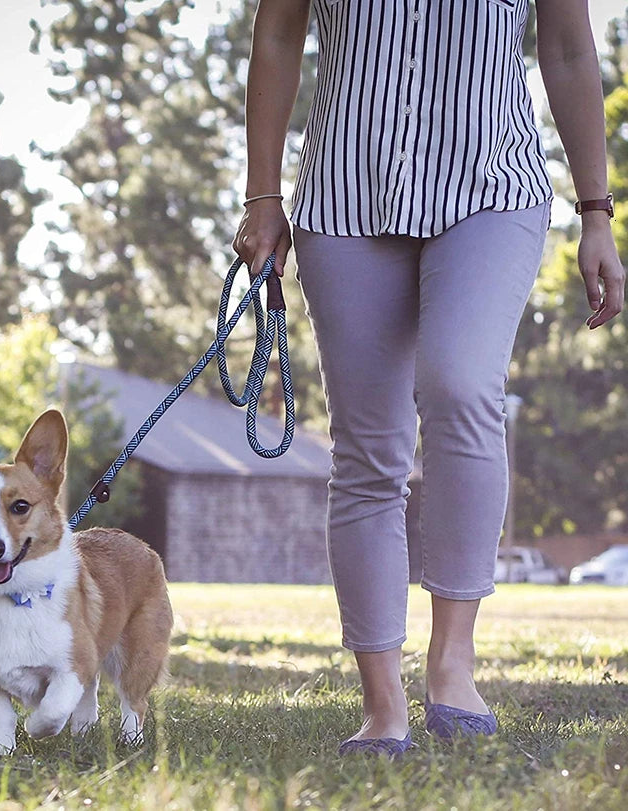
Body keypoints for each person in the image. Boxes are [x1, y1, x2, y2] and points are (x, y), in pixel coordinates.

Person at [234, 0, 625, 756]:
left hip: (491, 187)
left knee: (460, 384)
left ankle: (452, 661)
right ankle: (382, 704)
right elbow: (277, 31)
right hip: (347, 191)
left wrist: (597, 213)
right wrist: (263, 195)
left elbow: (571, 48)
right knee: (368, 451)